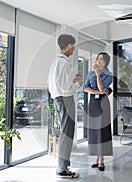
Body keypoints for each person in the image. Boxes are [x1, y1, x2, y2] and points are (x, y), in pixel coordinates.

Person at [48, 34, 82, 178]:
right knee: (67, 133)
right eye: (73, 46)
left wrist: (71, 80)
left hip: (59, 99)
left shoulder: (56, 62)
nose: (73, 48)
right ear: (69, 46)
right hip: (65, 99)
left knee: (65, 132)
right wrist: (77, 83)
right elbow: (66, 87)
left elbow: (56, 84)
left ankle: (63, 167)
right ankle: (62, 169)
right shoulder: (64, 63)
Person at [84, 52, 113, 171]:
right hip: (93, 104)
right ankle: (97, 159)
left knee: (102, 131)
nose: (99, 61)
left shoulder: (109, 75)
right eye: (98, 58)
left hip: (102, 105)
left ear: (106, 62)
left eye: (102, 59)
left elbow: (102, 88)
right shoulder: (89, 73)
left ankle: (101, 161)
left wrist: (97, 74)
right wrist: (98, 92)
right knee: (94, 131)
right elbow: (86, 88)